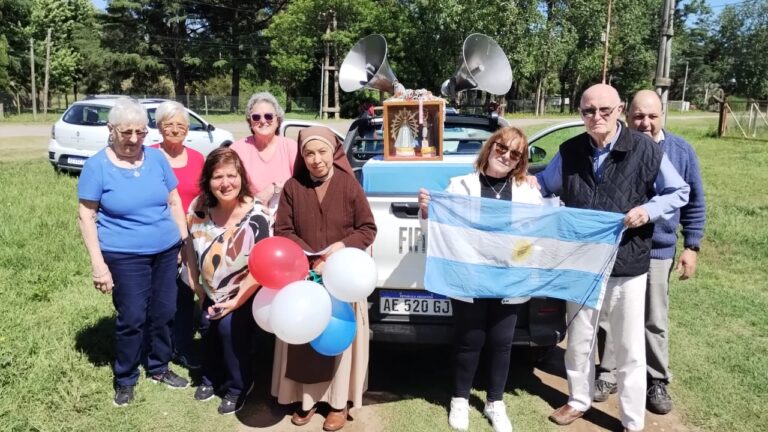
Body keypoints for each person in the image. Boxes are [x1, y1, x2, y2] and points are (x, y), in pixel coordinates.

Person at [535, 84, 690, 432]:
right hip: (582, 263)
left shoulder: (646, 150)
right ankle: (578, 399)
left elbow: (679, 191)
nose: (597, 117)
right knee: (580, 338)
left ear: (619, 109)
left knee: (629, 346)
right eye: (588, 111)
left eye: (605, 110)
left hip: (627, 262)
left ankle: (632, 420)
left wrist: (649, 211)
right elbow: (543, 185)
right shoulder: (570, 150)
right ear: (580, 112)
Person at [417, 127, 544, 432]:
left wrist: (520, 256)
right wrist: (426, 212)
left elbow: (538, 235)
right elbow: (436, 232)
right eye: (502, 148)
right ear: (490, 147)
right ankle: (460, 399)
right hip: (469, 277)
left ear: (521, 161)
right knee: (469, 341)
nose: (506, 156)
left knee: (502, 343)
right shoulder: (459, 186)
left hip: (509, 279)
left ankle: (495, 402)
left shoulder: (528, 192)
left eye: (515, 154)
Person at [593, 90, 706, 415]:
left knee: (653, 319)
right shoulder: (616, 146)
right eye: (638, 116)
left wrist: (692, 246)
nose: (645, 123)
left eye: (652, 116)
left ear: (663, 116)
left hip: (658, 250)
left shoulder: (681, 151)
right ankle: (608, 373)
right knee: (611, 316)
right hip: (620, 247)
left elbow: (694, 200)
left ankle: (657, 380)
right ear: (627, 115)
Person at [77, 97, 189, 407]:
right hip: (124, 255)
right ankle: (125, 377)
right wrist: (98, 264)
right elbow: (86, 215)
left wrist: (182, 239)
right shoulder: (97, 165)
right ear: (111, 129)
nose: (134, 139)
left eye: (140, 132)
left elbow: (174, 200)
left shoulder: (156, 160)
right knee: (133, 316)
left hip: (166, 250)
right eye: (126, 132)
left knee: (165, 311)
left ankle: (159, 366)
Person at [272, 126, 377, 432]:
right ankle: (306, 401)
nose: (316, 159)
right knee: (304, 338)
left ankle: (338, 403)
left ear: (334, 152)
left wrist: (340, 248)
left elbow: (367, 227)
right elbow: (283, 230)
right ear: (301, 156)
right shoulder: (293, 187)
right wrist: (309, 257)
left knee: (338, 338)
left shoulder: (349, 184)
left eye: (322, 152)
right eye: (308, 153)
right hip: (304, 276)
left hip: (343, 277)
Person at [185, 147, 271, 415]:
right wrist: (196, 285)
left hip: (247, 290)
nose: (225, 183)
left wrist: (234, 302)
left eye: (232, 176)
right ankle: (211, 377)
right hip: (211, 289)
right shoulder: (199, 206)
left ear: (242, 177)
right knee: (207, 327)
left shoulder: (257, 214)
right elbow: (190, 245)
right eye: (217, 177)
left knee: (228, 328)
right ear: (208, 181)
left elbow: (262, 268)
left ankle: (239, 386)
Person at [151, 100, 205, 370]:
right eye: (168, 124)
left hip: (191, 236)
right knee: (160, 295)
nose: (175, 129)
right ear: (159, 127)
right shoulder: (148, 155)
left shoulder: (197, 158)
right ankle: (157, 346)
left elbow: (205, 197)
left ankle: (181, 346)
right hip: (158, 236)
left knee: (186, 292)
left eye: (180, 124)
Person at [230, 92, 297, 216]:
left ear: (278, 120)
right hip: (249, 217)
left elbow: (301, 186)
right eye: (256, 117)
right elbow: (230, 190)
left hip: (287, 218)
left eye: (268, 116)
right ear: (250, 121)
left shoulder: (291, 147)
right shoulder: (237, 150)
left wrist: (276, 188)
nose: (262, 121)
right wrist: (257, 201)